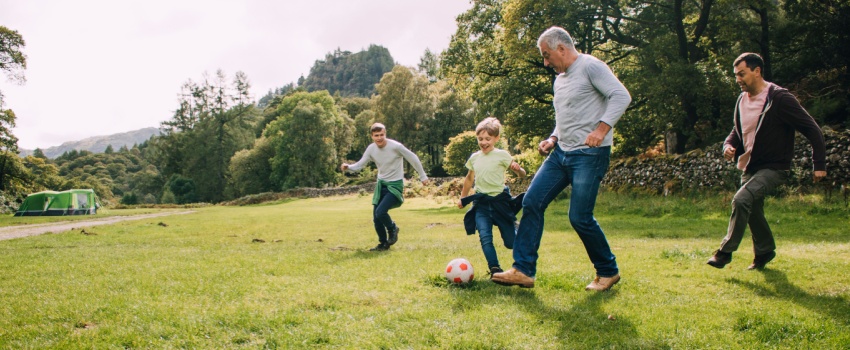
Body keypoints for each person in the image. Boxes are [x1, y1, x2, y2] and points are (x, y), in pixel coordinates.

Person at [492, 26, 631, 291]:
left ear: (561, 49)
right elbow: (565, 116)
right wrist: (553, 138)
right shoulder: (560, 79)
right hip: (561, 154)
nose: (545, 62)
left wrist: (601, 130)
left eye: (546, 55)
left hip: (589, 155)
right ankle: (523, 270)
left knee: (579, 216)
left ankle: (608, 271)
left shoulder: (591, 66)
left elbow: (621, 96)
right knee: (532, 201)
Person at [707, 52, 826, 270]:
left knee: (742, 200)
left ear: (757, 71)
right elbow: (737, 129)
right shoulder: (742, 100)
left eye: (741, 74)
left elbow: (812, 128)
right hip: (750, 165)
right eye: (735, 75)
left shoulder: (779, 99)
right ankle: (764, 252)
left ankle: (724, 253)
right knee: (752, 209)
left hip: (774, 167)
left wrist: (819, 164)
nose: (738, 80)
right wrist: (728, 145)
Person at [341, 123, 429, 251]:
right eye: (376, 135)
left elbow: (413, 158)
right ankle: (383, 244)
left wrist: (423, 176)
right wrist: (348, 167)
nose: (379, 138)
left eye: (381, 135)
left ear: (385, 134)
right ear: (372, 136)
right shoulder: (371, 149)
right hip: (381, 184)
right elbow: (360, 165)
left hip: (395, 185)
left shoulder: (396, 146)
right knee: (376, 218)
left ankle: (393, 228)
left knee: (381, 212)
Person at [457, 117, 527, 277]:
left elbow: (522, 174)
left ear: (496, 138)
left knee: (511, 243)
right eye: (480, 139)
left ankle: (515, 227)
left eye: (488, 139)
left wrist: (518, 169)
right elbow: (469, 178)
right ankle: (495, 269)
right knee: (485, 237)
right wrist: (463, 197)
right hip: (481, 203)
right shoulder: (474, 158)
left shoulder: (502, 155)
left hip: (500, 203)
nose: (483, 142)